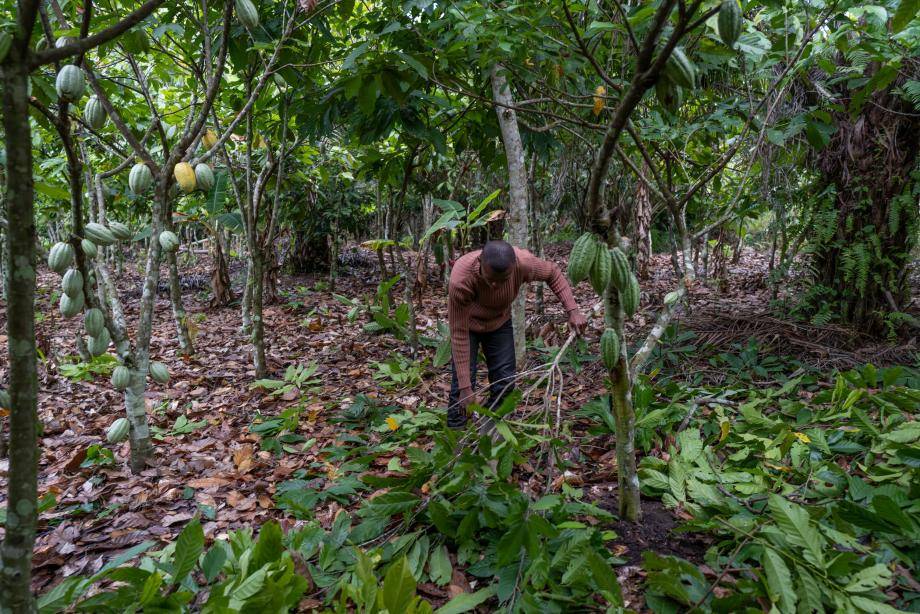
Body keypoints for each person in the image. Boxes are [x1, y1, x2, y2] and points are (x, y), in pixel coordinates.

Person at [447, 240, 587, 428]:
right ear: (480, 262)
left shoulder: (524, 263)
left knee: (505, 383)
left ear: (514, 267)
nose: (495, 286)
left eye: (502, 280)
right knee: (461, 392)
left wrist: (573, 311)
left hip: (499, 322)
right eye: (490, 279)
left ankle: (491, 432)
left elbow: (553, 273)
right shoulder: (461, 279)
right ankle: (457, 440)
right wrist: (466, 388)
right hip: (468, 326)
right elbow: (458, 333)